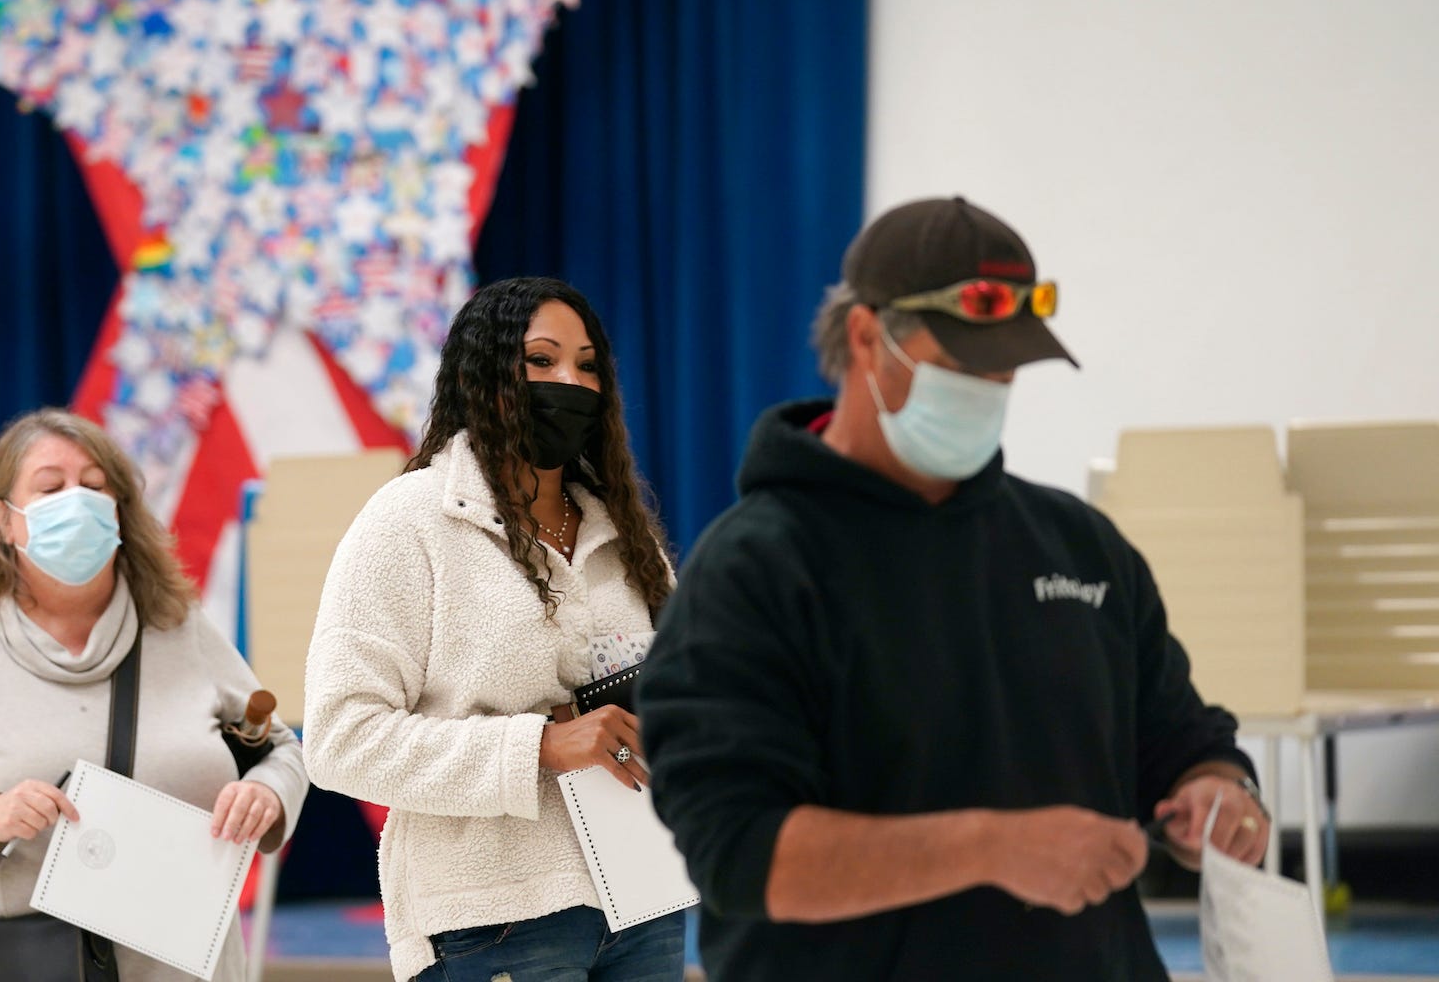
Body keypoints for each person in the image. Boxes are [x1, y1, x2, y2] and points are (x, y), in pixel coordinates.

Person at [638, 197, 1272, 980]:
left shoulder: (1081, 547)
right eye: (965, 366)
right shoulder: (753, 574)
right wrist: (991, 848)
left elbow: (1182, 739)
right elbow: (741, 853)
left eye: (1005, 368)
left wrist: (1218, 793)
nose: (990, 387)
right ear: (869, 337)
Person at [304, 277, 682, 981]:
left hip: (647, 902)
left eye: (587, 364)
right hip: (495, 919)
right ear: (483, 375)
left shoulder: (624, 532)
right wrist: (539, 744)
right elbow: (337, 740)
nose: (569, 380)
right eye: (541, 361)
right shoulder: (408, 522)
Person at [0, 408, 307, 982]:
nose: (77, 500)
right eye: (50, 487)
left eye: (94, 487)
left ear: (119, 511)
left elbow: (279, 749)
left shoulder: (180, 628)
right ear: (3, 520)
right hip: (23, 965)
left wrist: (268, 794)